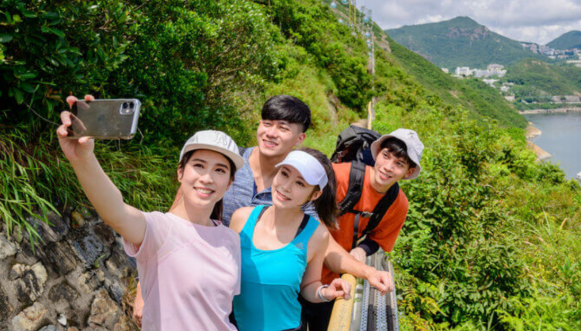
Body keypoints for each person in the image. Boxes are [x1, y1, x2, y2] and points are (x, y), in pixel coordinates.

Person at [133, 95, 392, 324]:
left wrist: (368, 272)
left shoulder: (299, 194)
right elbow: (170, 228)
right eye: (266, 123)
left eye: (283, 128)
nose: (271, 133)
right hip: (199, 290)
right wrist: (144, 289)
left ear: (300, 138)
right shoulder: (224, 165)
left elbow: (325, 248)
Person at [57, 95, 243, 331]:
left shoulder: (231, 239)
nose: (207, 178)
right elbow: (116, 212)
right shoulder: (161, 228)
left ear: (228, 183)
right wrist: (83, 158)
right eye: (199, 165)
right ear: (180, 173)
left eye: (220, 170)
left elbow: (219, 310)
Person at [302, 129, 424, 331]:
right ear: (377, 153)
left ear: (408, 172)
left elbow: (379, 238)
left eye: (399, 164)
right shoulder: (340, 176)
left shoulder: (397, 203)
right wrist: (368, 271)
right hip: (298, 270)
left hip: (333, 279)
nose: (388, 167)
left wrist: (361, 250)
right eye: (386, 156)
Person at [230, 148, 350, 330]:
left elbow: (309, 285)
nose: (286, 186)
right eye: (284, 174)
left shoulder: (317, 234)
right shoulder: (241, 219)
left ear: (315, 195)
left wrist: (325, 292)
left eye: (300, 183)